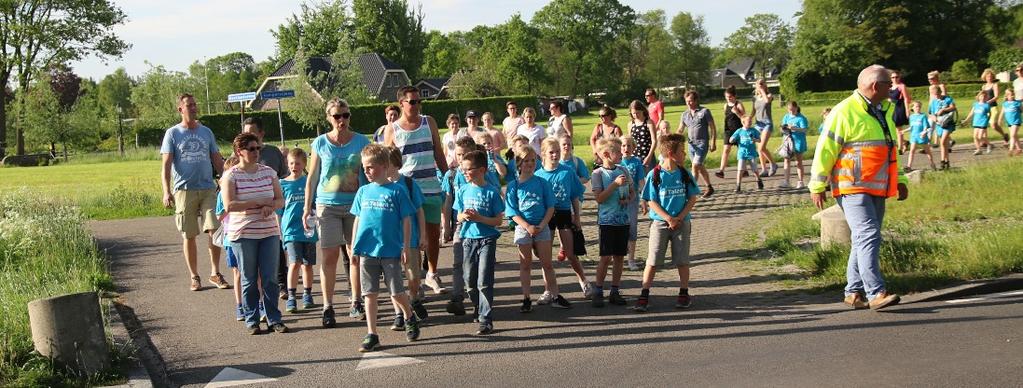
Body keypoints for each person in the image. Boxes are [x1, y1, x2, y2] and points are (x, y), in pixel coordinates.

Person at [809, 64, 907, 311]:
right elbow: (825, 150)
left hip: (877, 186)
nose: (892, 88)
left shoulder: (883, 109)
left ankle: (853, 292)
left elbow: (890, 149)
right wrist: (817, 185)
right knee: (868, 235)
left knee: (863, 239)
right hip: (851, 187)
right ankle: (876, 292)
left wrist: (901, 180)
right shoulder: (844, 112)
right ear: (876, 86)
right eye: (888, 83)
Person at [302, 98, 371, 328]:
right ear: (328, 118)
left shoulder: (361, 141)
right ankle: (328, 306)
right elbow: (312, 176)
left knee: (355, 255)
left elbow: (369, 172)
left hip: (355, 205)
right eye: (337, 116)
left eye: (345, 115)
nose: (342, 120)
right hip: (327, 205)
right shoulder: (320, 143)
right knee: (329, 256)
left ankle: (357, 301)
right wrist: (306, 206)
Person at [350, 143, 421, 351]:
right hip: (366, 250)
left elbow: (407, 219)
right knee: (369, 294)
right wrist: (354, 246)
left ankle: (409, 315)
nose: (366, 171)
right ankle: (372, 333)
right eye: (364, 167)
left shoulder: (397, 191)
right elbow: (357, 219)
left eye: (370, 167)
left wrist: (406, 247)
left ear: (383, 165)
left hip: (390, 250)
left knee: (396, 292)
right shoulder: (363, 191)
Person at [383, 86, 449, 297]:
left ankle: (432, 273)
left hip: (430, 185)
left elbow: (438, 151)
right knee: (410, 237)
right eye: (412, 102)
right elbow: (388, 159)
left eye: (418, 101)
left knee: (432, 233)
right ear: (401, 103)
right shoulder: (392, 129)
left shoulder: (428, 122)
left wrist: (447, 176)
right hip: (406, 189)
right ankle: (414, 282)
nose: (416, 105)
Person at [160, 94, 228, 292]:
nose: (193, 108)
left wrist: (228, 180)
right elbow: (166, 165)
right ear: (180, 109)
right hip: (184, 190)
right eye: (189, 105)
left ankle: (215, 272)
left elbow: (216, 159)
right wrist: (166, 191)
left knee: (214, 228)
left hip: (207, 188)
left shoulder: (206, 132)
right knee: (189, 234)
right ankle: (194, 276)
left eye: (194, 105)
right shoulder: (172, 134)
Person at [222, 132, 287, 334]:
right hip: (243, 233)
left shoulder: (268, 173)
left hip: (268, 231)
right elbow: (229, 205)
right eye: (251, 149)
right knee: (249, 278)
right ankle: (252, 319)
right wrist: (256, 203)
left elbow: (280, 200)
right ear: (239, 152)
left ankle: (274, 318)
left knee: (269, 278)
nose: (256, 152)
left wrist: (271, 207)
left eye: (258, 148)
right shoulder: (231, 175)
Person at [634, 133, 700, 313]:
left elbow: (692, 197)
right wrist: (668, 218)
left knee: (682, 260)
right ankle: (644, 294)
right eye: (682, 151)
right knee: (653, 260)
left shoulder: (684, 173)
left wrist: (679, 217)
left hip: (682, 223)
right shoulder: (654, 175)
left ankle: (684, 293)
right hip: (660, 224)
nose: (685, 155)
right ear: (671, 153)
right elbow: (651, 201)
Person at [506, 145, 571, 312]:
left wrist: (541, 225)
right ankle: (526, 298)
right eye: (526, 160)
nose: (529, 164)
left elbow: (550, 206)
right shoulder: (513, 186)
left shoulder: (542, 183)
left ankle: (555, 295)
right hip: (523, 228)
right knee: (525, 264)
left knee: (547, 263)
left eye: (533, 160)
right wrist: (527, 226)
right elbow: (512, 211)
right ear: (519, 163)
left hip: (542, 227)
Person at [454, 149, 505, 335]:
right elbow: (457, 216)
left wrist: (480, 218)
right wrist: (463, 216)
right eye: (463, 169)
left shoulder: (491, 192)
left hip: (487, 239)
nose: (465, 172)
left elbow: (498, 221)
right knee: (469, 280)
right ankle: (477, 305)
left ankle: (486, 319)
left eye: (468, 169)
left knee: (484, 280)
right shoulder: (463, 190)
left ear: (482, 170)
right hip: (468, 239)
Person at [535, 137, 593, 298]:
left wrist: (577, 218)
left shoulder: (567, 172)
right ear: (544, 154)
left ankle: (583, 281)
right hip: (546, 216)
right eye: (551, 152)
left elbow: (575, 195)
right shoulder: (538, 175)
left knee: (570, 252)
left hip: (564, 213)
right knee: (545, 257)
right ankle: (548, 289)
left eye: (557, 152)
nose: (555, 155)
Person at [242, 117, 288, 300]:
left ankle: (282, 285)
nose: (249, 136)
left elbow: (284, 178)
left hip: (274, 211)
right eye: (246, 132)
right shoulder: (241, 155)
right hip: (249, 219)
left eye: (252, 132)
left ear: (261, 134)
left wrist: (278, 203)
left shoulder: (272, 152)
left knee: (277, 247)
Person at [386, 145, 429, 330]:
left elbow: (419, 211)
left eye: (385, 163)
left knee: (413, 277)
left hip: (410, 239)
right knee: (393, 280)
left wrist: (423, 235)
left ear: (395, 164)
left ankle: (413, 300)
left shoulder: (409, 184)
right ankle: (399, 313)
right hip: (389, 241)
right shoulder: (380, 187)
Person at [590, 137, 633, 308]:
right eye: (617, 151)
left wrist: (628, 199)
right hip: (607, 222)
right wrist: (614, 185)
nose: (622, 152)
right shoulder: (598, 174)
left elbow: (632, 192)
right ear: (607, 154)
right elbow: (599, 198)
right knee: (605, 257)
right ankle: (598, 290)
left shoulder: (623, 169)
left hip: (623, 220)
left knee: (619, 257)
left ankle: (615, 290)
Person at [440, 136, 478, 315]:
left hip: (479, 228)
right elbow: (448, 202)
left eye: (464, 155)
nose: (461, 159)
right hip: (460, 226)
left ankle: (478, 299)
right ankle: (457, 297)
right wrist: (445, 226)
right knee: (457, 263)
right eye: (458, 155)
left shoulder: (481, 172)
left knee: (474, 265)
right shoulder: (451, 174)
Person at [281, 148, 317, 313]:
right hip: (291, 230)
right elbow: (279, 211)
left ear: (304, 164)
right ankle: (291, 296)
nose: (294, 166)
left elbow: (315, 205)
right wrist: (279, 231)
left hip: (308, 229)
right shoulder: (283, 184)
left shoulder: (309, 183)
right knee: (294, 262)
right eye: (291, 163)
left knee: (307, 265)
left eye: (298, 163)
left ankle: (307, 294)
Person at [214, 156, 243, 320]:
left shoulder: (246, 190)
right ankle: (240, 306)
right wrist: (230, 203)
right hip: (230, 239)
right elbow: (219, 215)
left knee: (255, 273)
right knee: (238, 273)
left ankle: (258, 305)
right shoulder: (221, 195)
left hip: (248, 234)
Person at [677, 90, 717, 198]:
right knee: (699, 166)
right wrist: (674, 137)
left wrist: (713, 142)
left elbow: (713, 128)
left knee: (695, 165)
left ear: (696, 100)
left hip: (702, 143)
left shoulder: (704, 112)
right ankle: (709, 187)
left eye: (690, 101)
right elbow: (680, 129)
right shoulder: (684, 114)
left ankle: (690, 191)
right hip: (691, 145)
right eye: (686, 101)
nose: (688, 103)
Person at [618, 135, 645, 271]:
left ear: (634, 147)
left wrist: (645, 198)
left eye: (629, 145)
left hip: (632, 201)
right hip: (617, 201)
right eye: (623, 145)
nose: (626, 148)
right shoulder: (616, 162)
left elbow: (641, 181)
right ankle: (619, 258)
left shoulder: (637, 162)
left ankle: (631, 259)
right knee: (619, 229)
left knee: (632, 229)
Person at [716, 86, 746, 179]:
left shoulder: (739, 104)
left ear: (734, 96)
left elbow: (745, 118)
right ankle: (721, 171)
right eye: (726, 97)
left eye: (730, 96)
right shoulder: (725, 106)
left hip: (739, 130)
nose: (728, 98)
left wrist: (737, 112)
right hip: (728, 130)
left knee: (742, 150)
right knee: (726, 150)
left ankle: (744, 170)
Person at [730, 115, 764, 192]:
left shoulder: (754, 130)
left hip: (752, 153)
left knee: (754, 169)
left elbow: (759, 140)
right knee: (740, 170)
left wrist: (754, 139)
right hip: (742, 153)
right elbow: (731, 139)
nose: (750, 122)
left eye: (751, 121)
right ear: (743, 122)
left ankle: (759, 180)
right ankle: (738, 186)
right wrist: (732, 139)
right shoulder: (739, 131)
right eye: (749, 121)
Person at [778, 101, 809, 189]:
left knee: (798, 162)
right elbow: (782, 127)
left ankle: (800, 181)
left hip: (798, 142)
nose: (791, 112)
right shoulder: (786, 116)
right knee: (786, 160)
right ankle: (786, 181)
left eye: (793, 110)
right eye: (789, 110)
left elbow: (805, 130)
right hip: (788, 141)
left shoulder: (801, 118)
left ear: (796, 108)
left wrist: (796, 128)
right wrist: (783, 129)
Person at [752, 78, 778, 176]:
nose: (760, 85)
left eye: (762, 83)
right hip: (758, 124)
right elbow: (754, 110)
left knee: (761, 147)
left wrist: (762, 90)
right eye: (759, 84)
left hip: (767, 123)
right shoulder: (754, 98)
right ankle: (764, 169)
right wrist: (749, 118)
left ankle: (773, 164)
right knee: (759, 148)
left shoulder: (769, 95)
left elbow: (766, 101)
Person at [903, 101, 937, 171]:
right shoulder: (911, 117)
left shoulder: (923, 116)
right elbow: (911, 127)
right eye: (916, 106)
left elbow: (926, 126)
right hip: (913, 136)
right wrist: (904, 131)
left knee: (928, 151)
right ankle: (909, 166)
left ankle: (932, 163)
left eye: (919, 106)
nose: (918, 108)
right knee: (912, 150)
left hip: (922, 137)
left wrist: (924, 132)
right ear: (912, 108)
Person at [930, 86, 957, 170]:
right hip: (939, 124)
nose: (936, 96)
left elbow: (953, 107)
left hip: (948, 123)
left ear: (940, 92)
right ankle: (947, 162)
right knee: (944, 144)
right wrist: (934, 119)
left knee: (942, 142)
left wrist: (944, 110)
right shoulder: (933, 102)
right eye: (934, 95)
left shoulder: (947, 99)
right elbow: (930, 113)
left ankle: (942, 162)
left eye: (937, 94)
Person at [628, 100, 658, 172]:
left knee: (650, 178)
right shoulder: (630, 124)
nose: (636, 115)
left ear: (642, 111)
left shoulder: (649, 122)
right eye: (633, 113)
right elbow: (630, 141)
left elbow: (654, 141)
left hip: (647, 154)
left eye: (637, 113)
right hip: (635, 156)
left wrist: (649, 156)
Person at [981, 68, 1009, 144]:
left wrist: (988, 101)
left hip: (993, 107)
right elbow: (982, 96)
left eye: (990, 76)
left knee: (993, 124)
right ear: (985, 77)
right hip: (985, 108)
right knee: (983, 124)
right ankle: (984, 141)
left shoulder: (994, 85)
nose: (989, 78)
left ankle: (1004, 135)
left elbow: (996, 96)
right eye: (987, 76)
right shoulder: (983, 86)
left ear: (993, 77)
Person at [888, 71, 913, 154]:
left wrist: (907, 111)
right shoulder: (889, 87)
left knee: (899, 128)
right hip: (890, 109)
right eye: (893, 77)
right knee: (891, 129)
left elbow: (906, 99)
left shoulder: (901, 86)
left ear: (899, 77)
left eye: (896, 77)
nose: (895, 79)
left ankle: (900, 148)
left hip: (899, 108)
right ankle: (904, 142)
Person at [961, 91, 993, 155]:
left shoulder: (986, 105)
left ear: (986, 97)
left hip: (983, 122)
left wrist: (987, 120)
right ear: (979, 97)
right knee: (975, 137)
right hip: (976, 122)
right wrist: (966, 120)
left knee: (980, 136)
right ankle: (979, 149)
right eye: (981, 96)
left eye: (984, 96)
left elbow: (989, 114)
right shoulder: (975, 104)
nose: (983, 97)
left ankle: (989, 145)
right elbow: (971, 113)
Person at [999, 89, 1023, 156]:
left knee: (1012, 135)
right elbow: (1002, 112)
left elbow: (1022, 110)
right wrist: (999, 120)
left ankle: (1011, 150)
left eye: (1012, 94)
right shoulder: (1005, 104)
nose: (1011, 96)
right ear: (1006, 96)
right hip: (1009, 122)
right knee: (1015, 135)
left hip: (1016, 121)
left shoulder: (1017, 103)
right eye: (1009, 95)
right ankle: (1019, 149)